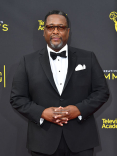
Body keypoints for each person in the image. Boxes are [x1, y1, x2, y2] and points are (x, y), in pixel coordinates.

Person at [10, 10, 109, 156]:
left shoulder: (88, 57)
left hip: (81, 140)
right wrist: (43, 113)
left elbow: (102, 92)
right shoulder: (27, 61)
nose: (55, 31)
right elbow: (17, 98)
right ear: (44, 31)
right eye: (50, 27)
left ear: (68, 32)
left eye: (60, 27)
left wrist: (78, 110)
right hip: (43, 141)